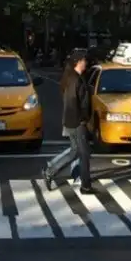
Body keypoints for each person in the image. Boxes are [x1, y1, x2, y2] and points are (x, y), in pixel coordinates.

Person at [42, 50, 95, 194]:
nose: (86, 63)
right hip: (77, 122)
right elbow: (72, 103)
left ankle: (50, 171)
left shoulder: (73, 78)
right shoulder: (75, 80)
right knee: (84, 154)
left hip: (74, 121)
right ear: (78, 62)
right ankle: (86, 186)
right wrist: (82, 120)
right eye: (84, 60)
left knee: (75, 151)